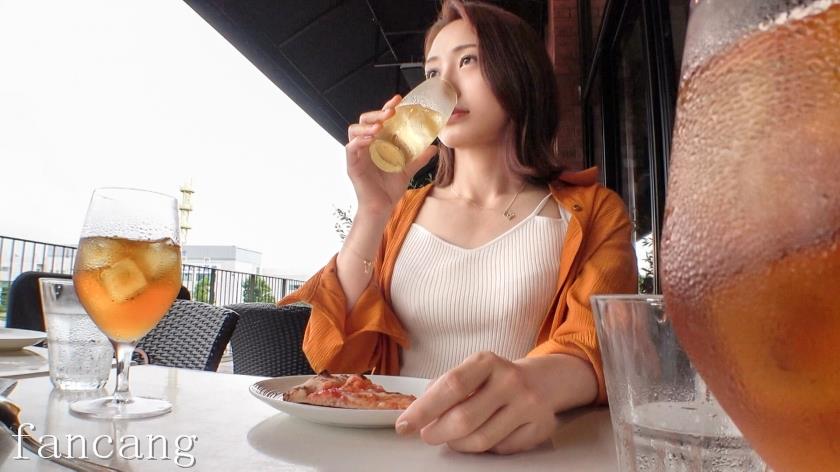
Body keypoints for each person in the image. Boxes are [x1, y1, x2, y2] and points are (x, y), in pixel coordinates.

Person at [280, 0, 637, 455]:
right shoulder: (400, 212)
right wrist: (372, 209)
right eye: (432, 72)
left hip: (524, 456)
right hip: (395, 449)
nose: (443, 86)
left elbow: (599, 345)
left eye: (468, 61)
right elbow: (336, 354)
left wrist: (531, 383)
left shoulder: (594, 213)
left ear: (519, 73)